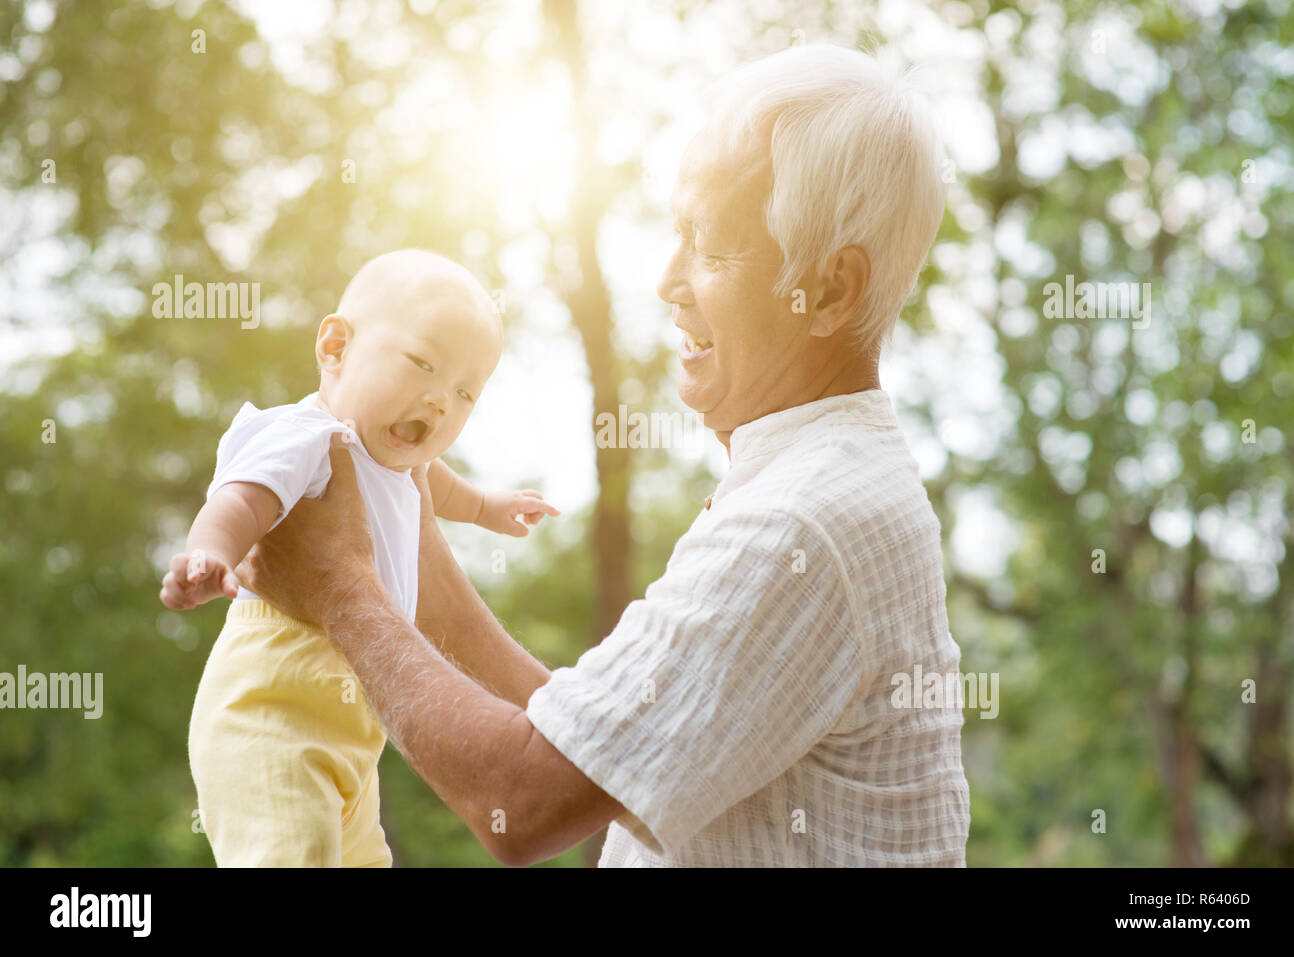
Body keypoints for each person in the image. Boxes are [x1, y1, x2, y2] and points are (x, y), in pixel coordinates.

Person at [236, 43, 970, 867]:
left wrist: (341, 589)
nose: (667, 280)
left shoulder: (801, 525)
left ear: (831, 288)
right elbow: (598, 742)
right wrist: (400, 524)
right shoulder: (818, 482)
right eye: (676, 235)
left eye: (710, 246)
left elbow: (523, 798)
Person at [159, 249, 559, 866]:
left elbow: (443, 488)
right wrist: (209, 552)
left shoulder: (406, 465)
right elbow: (242, 499)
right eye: (422, 363)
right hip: (273, 702)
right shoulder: (309, 436)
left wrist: (489, 509)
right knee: (292, 852)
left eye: (464, 392)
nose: (439, 400)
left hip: (352, 726)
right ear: (335, 347)